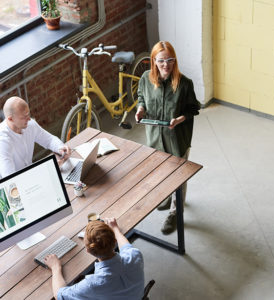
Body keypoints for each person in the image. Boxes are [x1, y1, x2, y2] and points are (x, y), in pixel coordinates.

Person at [135, 41, 201, 234]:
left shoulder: (185, 83)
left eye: (170, 60)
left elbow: (194, 108)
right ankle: (165, 198)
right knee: (161, 172)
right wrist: (140, 109)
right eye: (161, 60)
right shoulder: (146, 79)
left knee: (178, 176)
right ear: (153, 61)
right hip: (155, 138)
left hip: (177, 139)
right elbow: (141, 97)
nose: (166, 65)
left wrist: (180, 119)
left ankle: (175, 212)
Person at [44, 218, 145, 300]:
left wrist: (55, 267)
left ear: (88, 251)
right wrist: (115, 229)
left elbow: (59, 295)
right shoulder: (135, 255)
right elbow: (126, 246)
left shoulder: (93, 284)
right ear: (115, 242)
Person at [0, 96, 70, 178]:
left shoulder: (29, 124)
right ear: (10, 119)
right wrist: (48, 169)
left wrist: (61, 147)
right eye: (24, 117)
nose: (29, 119)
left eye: (28, 114)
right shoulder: (3, 141)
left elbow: (49, 140)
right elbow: (10, 178)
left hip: (31, 174)